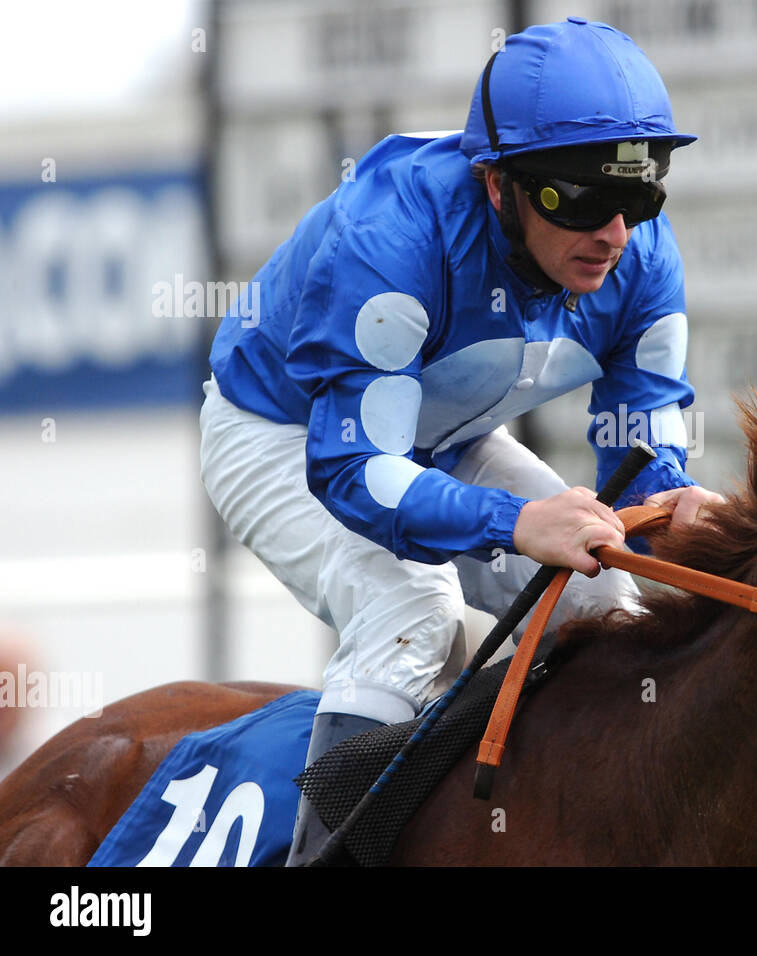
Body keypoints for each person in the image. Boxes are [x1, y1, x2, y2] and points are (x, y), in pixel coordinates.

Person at [199, 16, 721, 865]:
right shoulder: (392, 237)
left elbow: (640, 464)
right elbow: (354, 471)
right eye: (580, 198)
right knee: (412, 610)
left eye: (639, 194)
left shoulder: (640, 255)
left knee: (608, 603)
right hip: (285, 436)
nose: (615, 234)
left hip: (446, 434)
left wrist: (672, 510)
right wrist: (517, 523)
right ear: (496, 185)